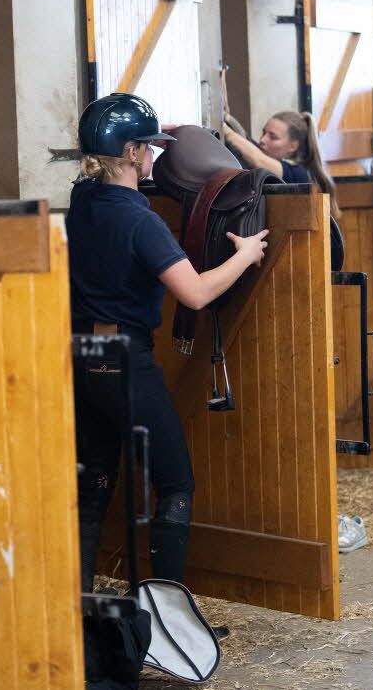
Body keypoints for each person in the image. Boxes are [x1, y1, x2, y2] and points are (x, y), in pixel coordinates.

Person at [68, 93, 269, 592]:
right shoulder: (141, 221)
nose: (156, 157)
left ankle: (79, 604)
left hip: (80, 355)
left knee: (94, 479)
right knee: (176, 484)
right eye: (150, 149)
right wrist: (245, 255)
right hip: (124, 361)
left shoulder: (83, 202)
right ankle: (168, 622)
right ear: (133, 152)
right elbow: (196, 294)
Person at [222, 110, 341, 217]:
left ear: (293, 146)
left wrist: (225, 131)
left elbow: (258, 160)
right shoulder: (272, 156)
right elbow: (245, 139)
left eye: (273, 137)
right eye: (264, 133)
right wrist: (225, 116)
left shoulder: (301, 174)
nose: (262, 140)